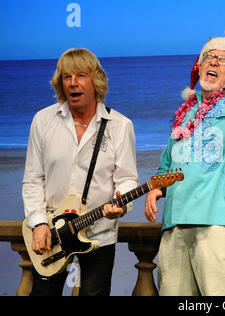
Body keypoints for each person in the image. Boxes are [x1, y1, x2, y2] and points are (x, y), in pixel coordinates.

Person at [144, 21, 225, 296]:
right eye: (208, 57)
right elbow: (168, 161)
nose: (214, 62)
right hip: (175, 227)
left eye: (224, 60)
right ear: (198, 66)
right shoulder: (185, 111)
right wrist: (156, 188)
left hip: (218, 226)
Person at [22, 48, 139, 296]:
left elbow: (127, 179)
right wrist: (39, 224)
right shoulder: (43, 121)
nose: (73, 83)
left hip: (99, 234)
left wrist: (121, 204)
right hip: (51, 235)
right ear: (60, 84)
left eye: (81, 76)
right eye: (67, 77)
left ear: (95, 81)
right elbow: (33, 179)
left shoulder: (120, 125)